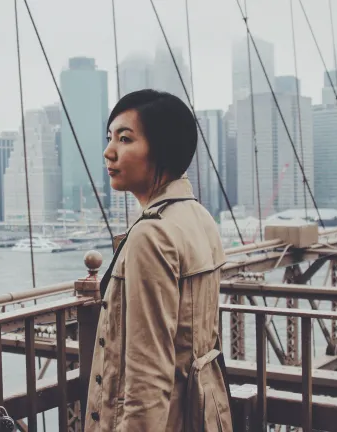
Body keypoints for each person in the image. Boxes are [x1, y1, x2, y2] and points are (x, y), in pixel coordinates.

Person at [85, 89, 232, 431]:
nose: (109, 151)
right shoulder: (199, 218)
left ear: (161, 149)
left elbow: (146, 376)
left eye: (125, 138)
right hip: (201, 416)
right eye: (110, 138)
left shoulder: (151, 236)